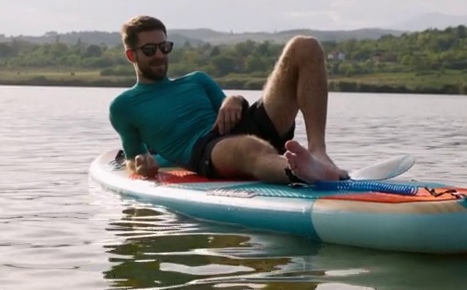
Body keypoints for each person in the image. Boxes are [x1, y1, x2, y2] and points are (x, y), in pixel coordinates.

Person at [108, 15, 347, 184]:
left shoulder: (198, 80)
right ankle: (301, 171)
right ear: (132, 55)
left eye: (164, 47)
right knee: (247, 146)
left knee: (304, 46)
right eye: (150, 50)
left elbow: (228, 114)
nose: (160, 55)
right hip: (203, 148)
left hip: (234, 128)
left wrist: (235, 98)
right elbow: (132, 159)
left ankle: (317, 152)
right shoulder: (125, 105)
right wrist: (141, 165)